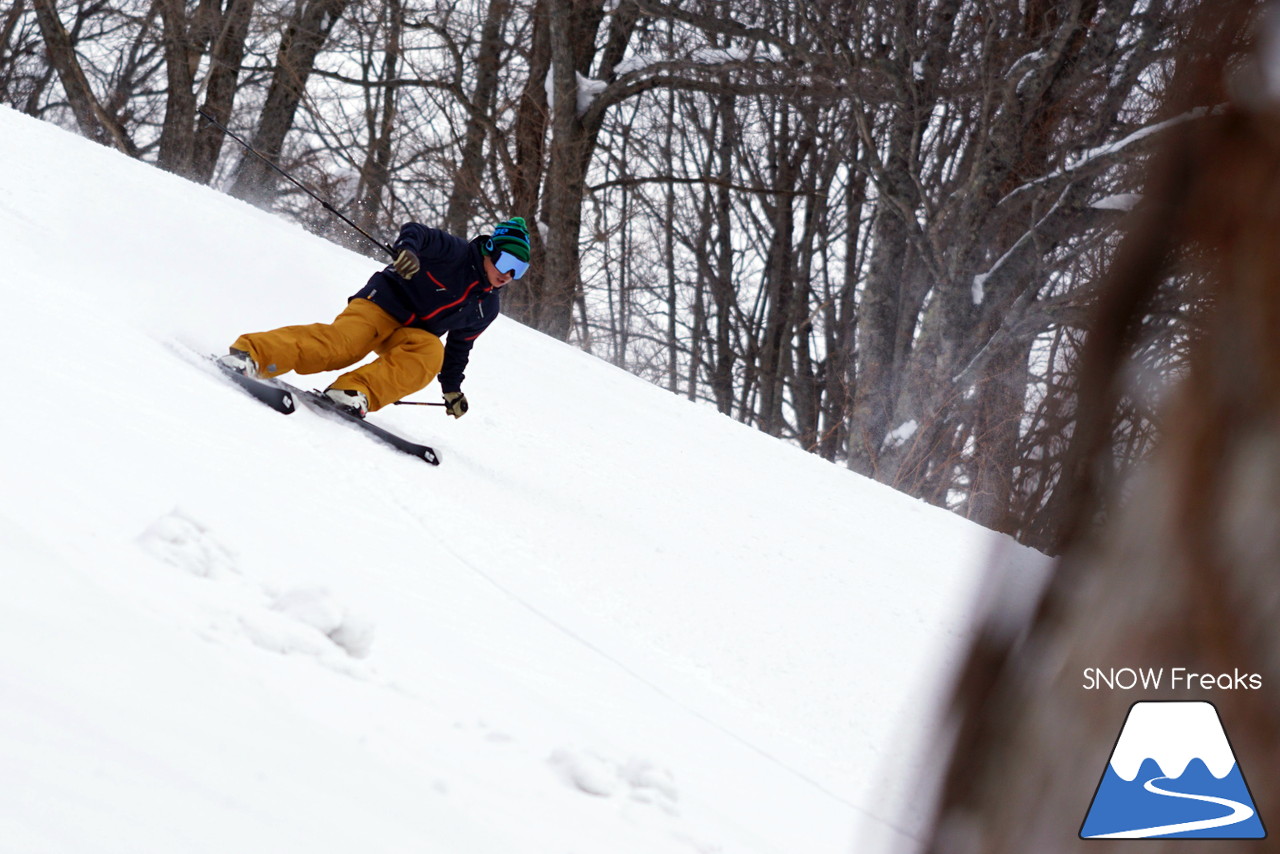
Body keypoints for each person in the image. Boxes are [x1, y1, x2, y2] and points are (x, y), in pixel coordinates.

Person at [219, 216, 531, 418]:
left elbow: (459, 348)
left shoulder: (486, 307)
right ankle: (253, 354)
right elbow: (416, 232)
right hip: (383, 304)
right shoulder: (457, 252)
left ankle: (354, 391)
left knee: (430, 353)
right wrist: (407, 251)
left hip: (413, 333)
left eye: (520, 270)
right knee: (345, 346)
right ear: (490, 250)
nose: (508, 275)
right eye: (507, 261)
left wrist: (451, 388)